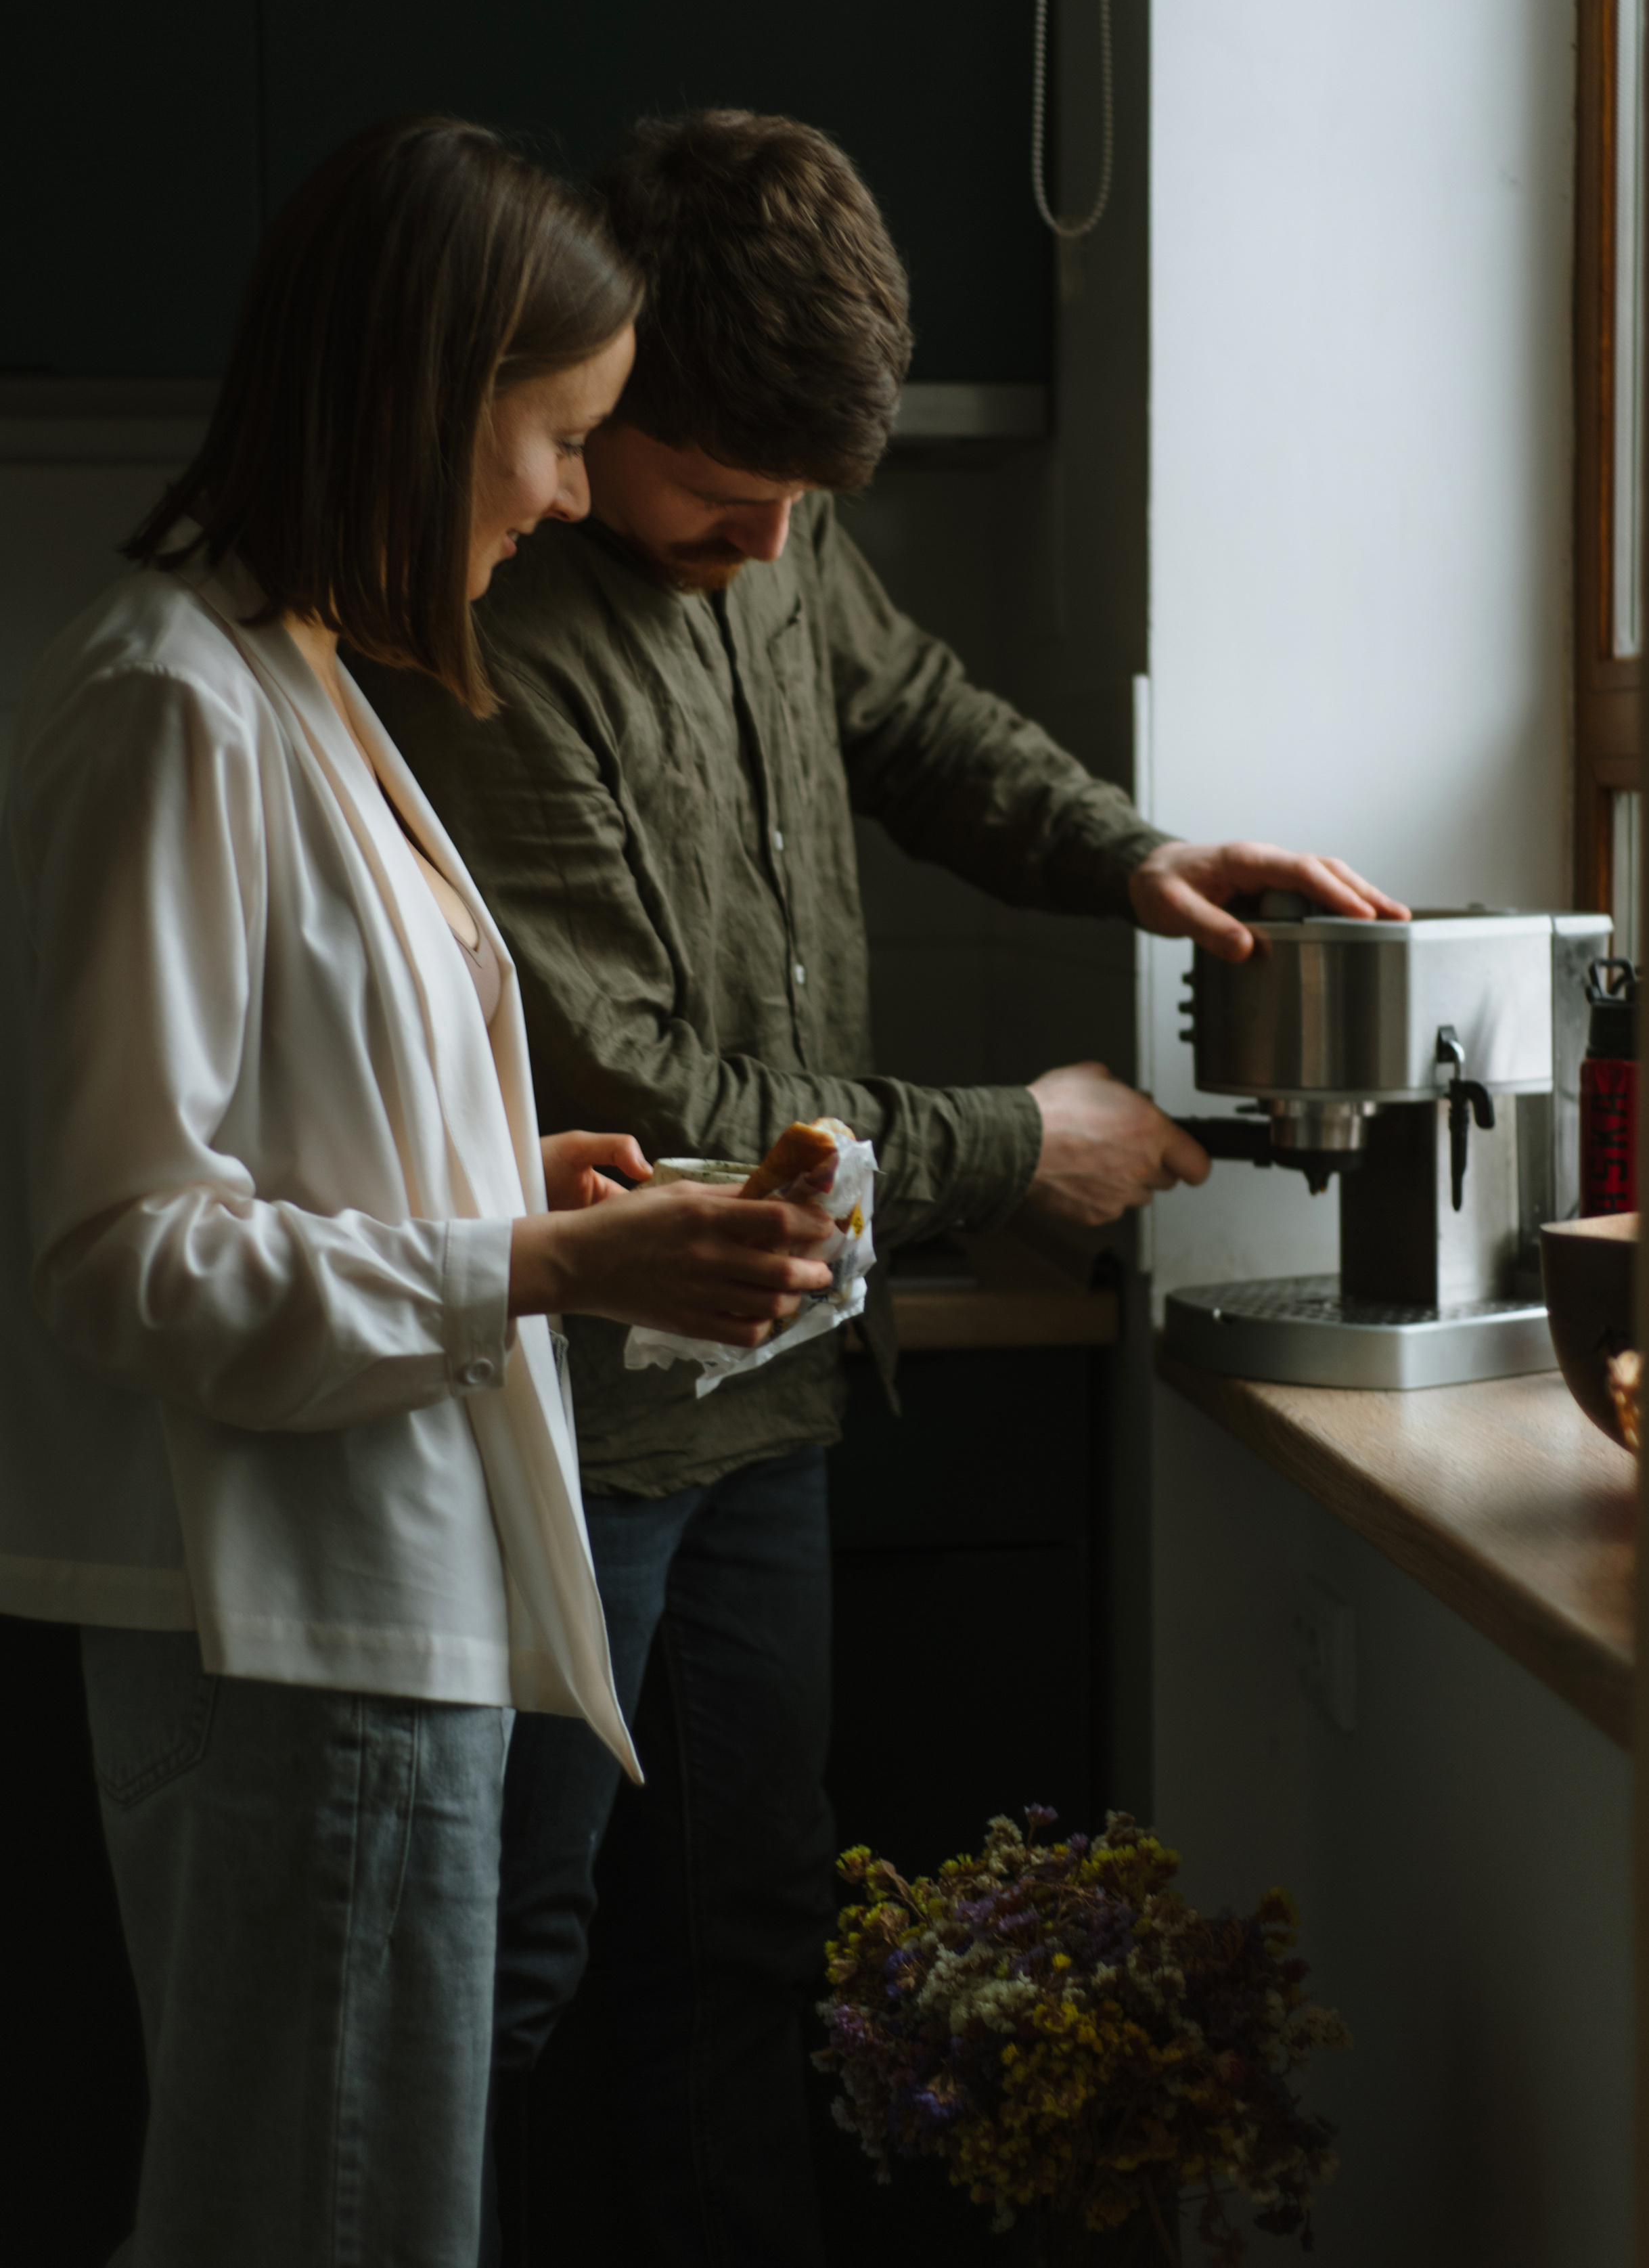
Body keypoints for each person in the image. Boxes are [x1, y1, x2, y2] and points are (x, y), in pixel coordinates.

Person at [355, 108, 1406, 2267]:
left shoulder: (782, 530)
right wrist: (1026, 1139)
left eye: (805, 512)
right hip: (571, 1431)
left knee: (746, 1957)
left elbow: (910, 718)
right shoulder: (473, 622)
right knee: (512, 1988)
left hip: (779, 1396)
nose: (766, 545)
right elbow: (662, 1090)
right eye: (724, 499)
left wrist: (1134, 854)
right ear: (601, 386)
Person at [0, 114, 838, 2268]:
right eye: (558, 435)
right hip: (292, 1633)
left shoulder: (290, 677)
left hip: (373, 1618)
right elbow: (121, 1253)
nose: (568, 492)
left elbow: (275, 1144)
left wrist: (498, 1172)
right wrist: (545, 1254)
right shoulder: (169, 707)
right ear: (427, 398)